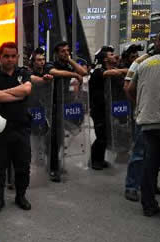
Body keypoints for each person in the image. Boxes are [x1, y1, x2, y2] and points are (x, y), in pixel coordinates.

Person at [0, 42, 33, 213]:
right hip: (0, 131)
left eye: (13, 56)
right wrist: (17, 95)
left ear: (18, 57)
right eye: (6, 56)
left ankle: (21, 196)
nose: (10, 59)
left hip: (21, 128)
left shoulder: (24, 72)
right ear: (0, 57)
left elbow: (27, 89)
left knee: (23, 166)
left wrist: (3, 94)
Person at [127, 34, 160, 217]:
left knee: (147, 161)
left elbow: (129, 89)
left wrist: (140, 106)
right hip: (151, 118)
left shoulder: (143, 63)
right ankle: (133, 187)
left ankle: (148, 203)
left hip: (147, 120)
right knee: (144, 158)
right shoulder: (142, 62)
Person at [46, 41, 88, 182]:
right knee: (54, 138)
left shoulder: (68, 64)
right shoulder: (50, 64)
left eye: (67, 50)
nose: (66, 53)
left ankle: (55, 164)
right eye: (63, 51)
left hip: (65, 105)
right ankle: (52, 168)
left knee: (61, 137)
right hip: (53, 105)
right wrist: (74, 75)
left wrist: (70, 60)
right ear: (57, 53)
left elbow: (84, 72)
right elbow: (54, 73)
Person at [89, 46, 127, 170]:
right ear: (105, 59)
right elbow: (110, 72)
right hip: (98, 110)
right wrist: (128, 70)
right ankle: (94, 160)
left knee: (105, 135)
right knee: (101, 136)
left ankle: (100, 159)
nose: (113, 56)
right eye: (111, 55)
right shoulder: (98, 70)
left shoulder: (108, 68)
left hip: (107, 108)